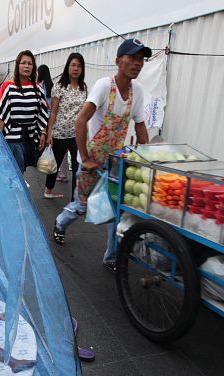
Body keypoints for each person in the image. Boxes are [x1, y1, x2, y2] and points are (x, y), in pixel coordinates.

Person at [52, 38, 151, 272]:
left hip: (115, 161)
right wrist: (85, 159)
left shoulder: (137, 91)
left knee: (116, 208)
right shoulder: (104, 86)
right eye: (132, 58)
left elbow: (140, 126)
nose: (137, 64)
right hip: (91, 160)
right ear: (118, 61)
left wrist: (147, 157)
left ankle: (111, 256)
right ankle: (59, 223)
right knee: (83, 205)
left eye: (141, 59)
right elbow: (80, 121)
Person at [43, 53, 88, 200]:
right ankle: (48, 189)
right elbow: (54, 112)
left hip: (77, 134)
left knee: (77, 167)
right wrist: (49, 133)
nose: (76, 69)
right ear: (68, 67)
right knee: (54, 165)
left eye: (79, 66)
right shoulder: (59, 86)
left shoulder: (83, 87)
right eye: (73, 65)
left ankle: (75, 199)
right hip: (60, 133)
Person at [0, 50, 49, 174]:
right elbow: (1, 116)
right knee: (13, 173)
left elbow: (42, 113)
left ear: (33, 67)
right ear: (17, 65)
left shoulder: (38, 89)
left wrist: (43, 133)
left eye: (30, 63)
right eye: (23, 63)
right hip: (12, 139)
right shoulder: (8, 87)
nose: (26, 66)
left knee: (22, 172)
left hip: (29, 138)